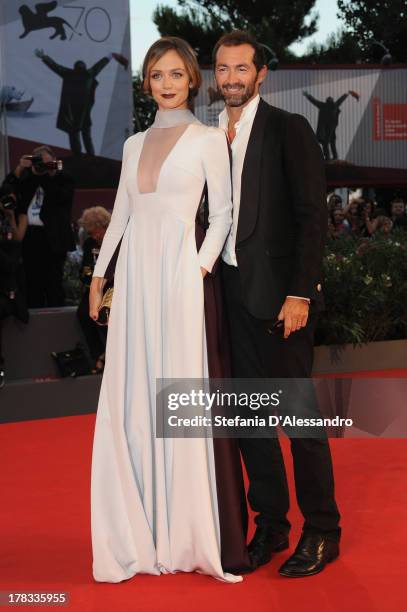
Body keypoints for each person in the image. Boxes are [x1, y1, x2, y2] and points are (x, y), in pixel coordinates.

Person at [88, 36, 249, 583]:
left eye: (176, 74)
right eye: (157, 75)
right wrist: (98, 276)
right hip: (133, 279)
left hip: (180, 278)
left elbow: (223, 214)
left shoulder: (207, 140)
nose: (166, 83)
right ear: (147, 83)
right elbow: (120, 217)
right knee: (132, 394)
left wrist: (197, 269)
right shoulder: (134, 145)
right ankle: (138, 531)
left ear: (192, 80)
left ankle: (184, 533)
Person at [214, 30, 341, 578]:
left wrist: (300, 293)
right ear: (213, 74)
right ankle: (271, 524)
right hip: (226, 297)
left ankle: (322, 530)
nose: (233, 79)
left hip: (281, 301)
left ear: (261, 73)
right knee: (248, 423)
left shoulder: (288, 128)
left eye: (242, 69)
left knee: (300, 418)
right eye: (223, 69)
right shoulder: (205, 135)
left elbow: (313, 217)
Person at [1, 145, 75, 307]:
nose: (44, 166)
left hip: (54, 238)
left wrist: (51, 174)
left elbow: (60, 197)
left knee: (53, 283)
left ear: (55, 161)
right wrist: (21, 168)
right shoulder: (28, 178)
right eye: (41, 163)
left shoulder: (64, 178)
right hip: (31, 236)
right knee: (33, 283)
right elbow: (6, 189)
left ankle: (56, 323)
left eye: (49, 162)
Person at [34, 49, 128, 156]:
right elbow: (100, 65)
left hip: (71, 112)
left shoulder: (68, 74)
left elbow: (55, 66)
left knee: (74, 134)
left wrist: (44, 57)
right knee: (86, 135)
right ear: (84, 67)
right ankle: (91, 156)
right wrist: (110, 55)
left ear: (75, 68)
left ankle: (77, 156)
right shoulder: (89, 74)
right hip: (84, 111)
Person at [77, 206, 110, 374]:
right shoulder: (90, 244)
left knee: (105, 313)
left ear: (105, 227)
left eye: (98, 232)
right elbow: (85, 269)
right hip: (94, 286)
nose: (96, 236)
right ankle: (99, 354)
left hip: (111, 286)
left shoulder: (114, 239)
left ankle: (112, 355)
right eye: (92, 233)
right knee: (83, 313)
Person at [302, 89, 359, 160]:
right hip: (331, 128)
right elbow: (341, 99)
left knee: (326, 143)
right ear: (332, 101)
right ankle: (333, 157)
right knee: (331, 142)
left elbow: (314, 101)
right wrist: (347, 94)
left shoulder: (323, 105)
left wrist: (307, 95)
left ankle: (329, 157)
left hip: (326, 128)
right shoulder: (334, 105)